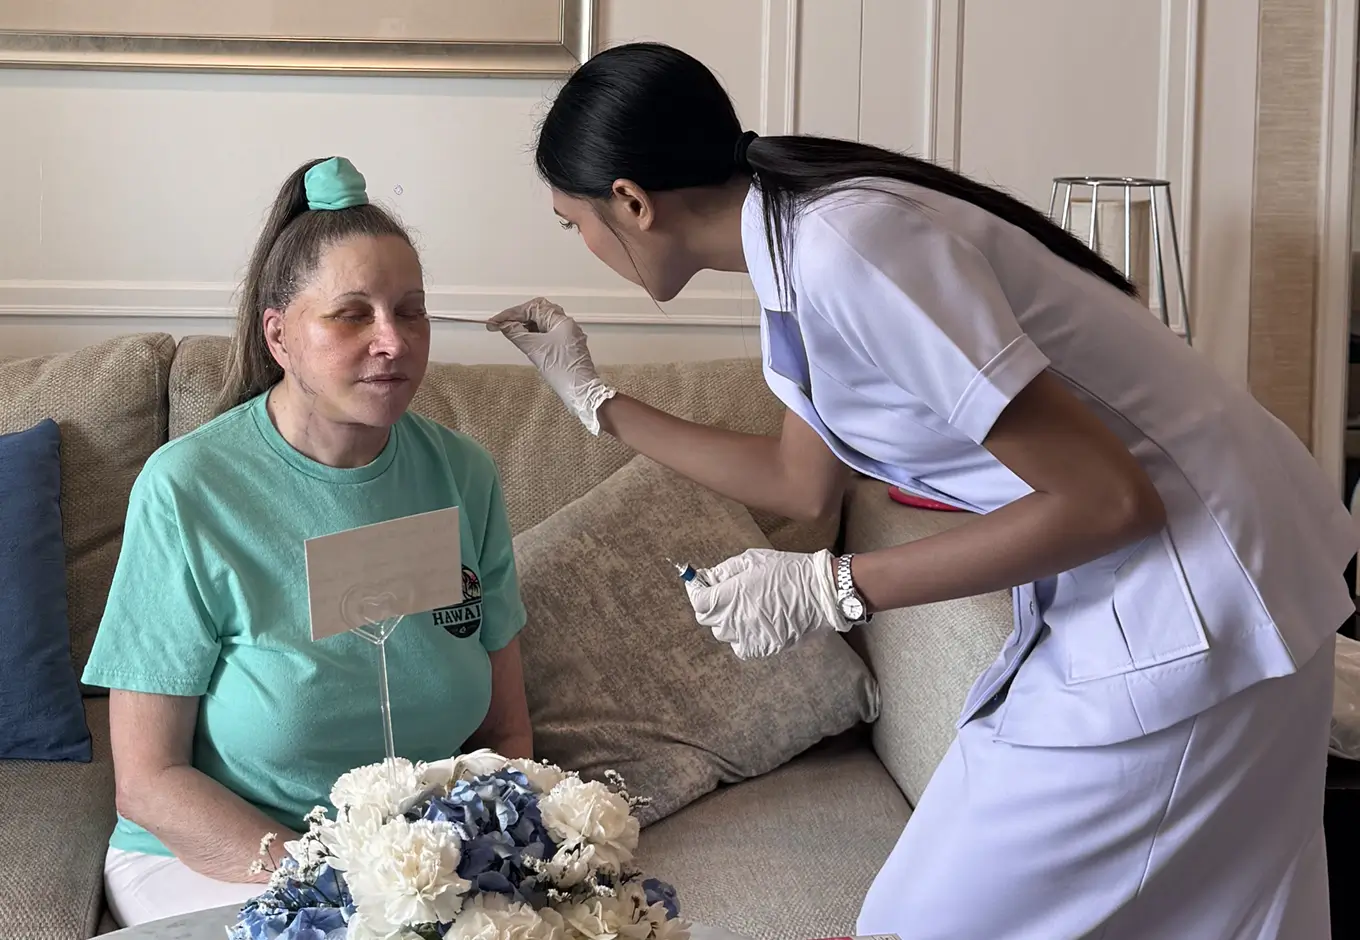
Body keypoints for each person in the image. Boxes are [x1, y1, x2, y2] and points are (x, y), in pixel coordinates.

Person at [488, 41, 1357, 939]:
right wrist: (593, 401)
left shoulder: (847, 250)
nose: (584, 246)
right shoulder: (794, 250)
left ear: (630, 200)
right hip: (1168, 587)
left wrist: (835, 587)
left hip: (1205, 591)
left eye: (574, 223)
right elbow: (796, 480)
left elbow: (1109, 500)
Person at [81, 156, 531, 929]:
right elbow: (149, 782)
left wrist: (493, 857)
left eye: (411, 310)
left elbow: (505, 733)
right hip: (217, 859)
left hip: (416, 864)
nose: (393, 340)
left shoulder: (463, 474)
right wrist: (339, 886)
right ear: (279, 334)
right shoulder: (189, 489)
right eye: (353, 314)